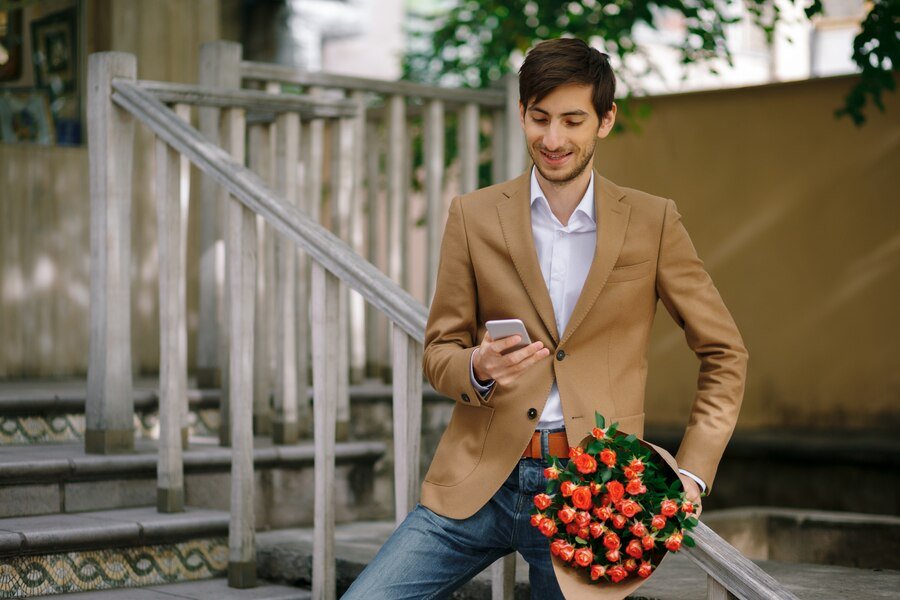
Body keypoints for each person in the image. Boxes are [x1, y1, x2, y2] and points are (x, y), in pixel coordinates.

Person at [342, 37, 747, 599]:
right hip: (477, 481)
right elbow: (439, 353)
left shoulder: (652, 222)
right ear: (521, 115)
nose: (553, 139)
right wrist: (478, 366)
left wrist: (692, 473)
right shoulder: (473, 216)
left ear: (605, 121)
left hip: (592, 495)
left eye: (573, 120)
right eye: (540, 118)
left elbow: (725, 352)